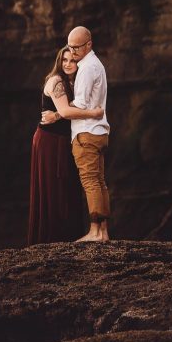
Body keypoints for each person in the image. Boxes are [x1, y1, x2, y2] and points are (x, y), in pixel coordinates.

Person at [28, 46, 104, 245]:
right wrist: (94, 114)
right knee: (54, 187)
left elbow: (67, 110)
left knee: (67, 186)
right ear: (59, 62)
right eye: (65, 60)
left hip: (65, 140)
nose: (69, 64)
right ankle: (52, 239)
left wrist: (59, 115)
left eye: (73, 60)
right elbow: (66, 110)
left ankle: (69, 236)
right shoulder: (56, 81)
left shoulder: (75, 82)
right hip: (49, 141)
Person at [42, 26, 111, 241]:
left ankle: (94, 231)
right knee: (100, 181)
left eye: (75, 47)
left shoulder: (87, 68)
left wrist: (57, 115)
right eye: (69, 47)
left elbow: (79, 104)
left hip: (86, 133)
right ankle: (104, 232)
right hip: (98, 131)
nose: (72, 52)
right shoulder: (94, 64)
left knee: (90, 182)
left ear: (88, 44)